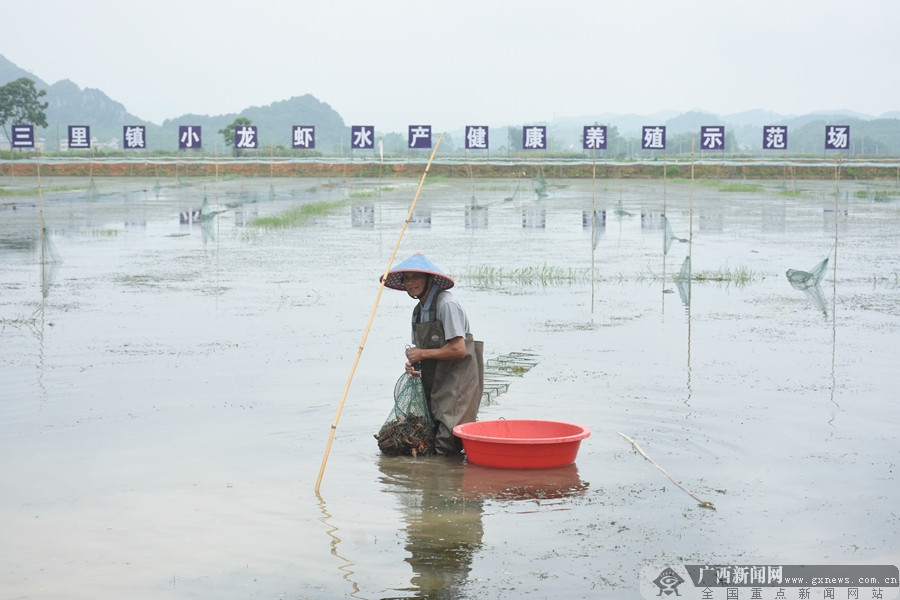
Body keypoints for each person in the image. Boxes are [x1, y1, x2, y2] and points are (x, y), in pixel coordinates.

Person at [381, 252, 484, 455]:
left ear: (430, 279)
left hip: (458, 381)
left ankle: (448, 483)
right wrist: (412, 363)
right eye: (406, 279)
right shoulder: (418, 311)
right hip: (434, 380)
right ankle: (434, 483)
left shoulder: (447, 304)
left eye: (415, 277)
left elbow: (458, 349)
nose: (410, 283)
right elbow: (421, 351)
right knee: (430, 434)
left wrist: (423, 354)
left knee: (448, 441)